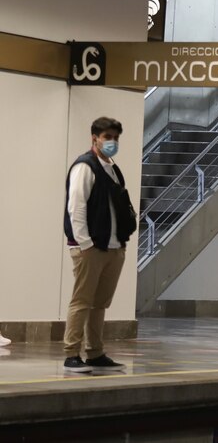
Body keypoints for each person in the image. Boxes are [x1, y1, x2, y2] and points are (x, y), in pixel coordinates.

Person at [62, 117, 137, 373]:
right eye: (107, 137)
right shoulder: (85, 166)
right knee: (82, 301)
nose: (112, 142)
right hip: (91, 247)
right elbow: (77, 207)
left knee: (100, 303)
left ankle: (94, 352)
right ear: (94, 138)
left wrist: (120, 244)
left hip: (114, 246)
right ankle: (71, 353)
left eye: (116, 137)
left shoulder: (112, 167)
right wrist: (85, 243)